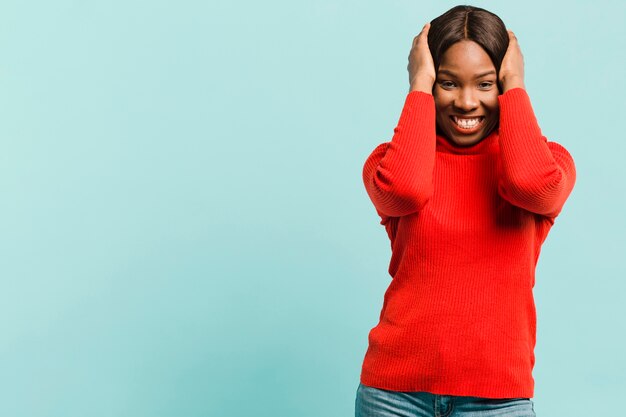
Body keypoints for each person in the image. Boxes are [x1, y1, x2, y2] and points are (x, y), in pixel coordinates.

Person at [355, 5, 576, 417]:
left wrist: (515, 85)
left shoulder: (550, 163)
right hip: (393, 396)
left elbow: (532, 185)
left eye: (486, 84)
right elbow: (405, 191)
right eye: (448, 83)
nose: (467, 101)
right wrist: (418, 84)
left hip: (498, 402)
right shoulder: (389, 163)